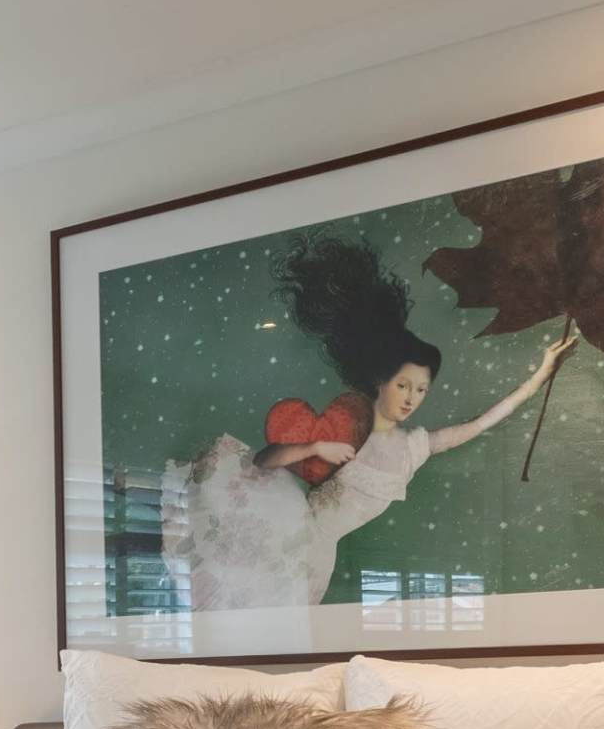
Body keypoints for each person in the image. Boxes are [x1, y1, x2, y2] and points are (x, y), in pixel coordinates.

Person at [168, 239, 577, 613]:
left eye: (421, 389)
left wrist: (541, 375)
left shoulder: (416, 447)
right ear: (381, 382)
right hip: (291, 532)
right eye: (403, 385)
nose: (412, 398)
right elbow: (264, 460)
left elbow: (484, 421)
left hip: (316, 557)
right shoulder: (349, 429)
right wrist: (316, 449)